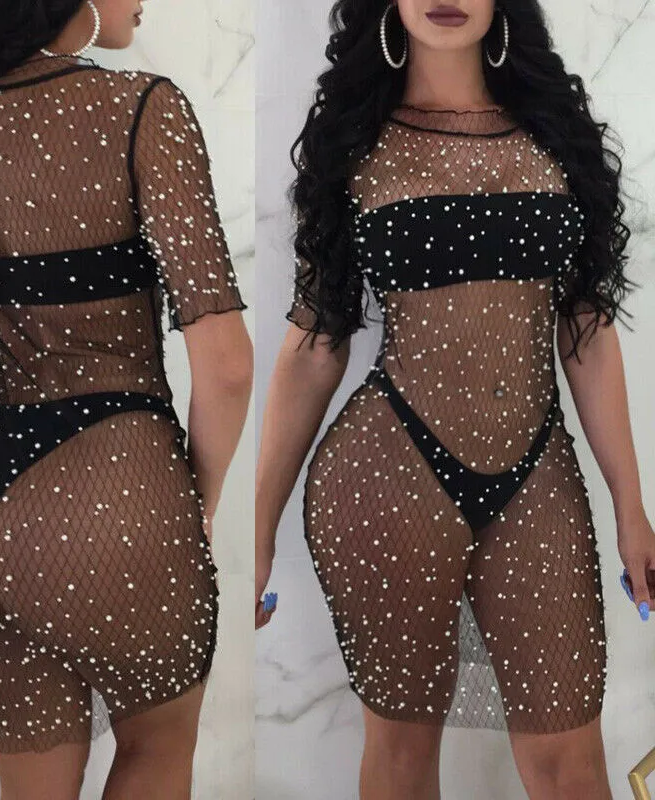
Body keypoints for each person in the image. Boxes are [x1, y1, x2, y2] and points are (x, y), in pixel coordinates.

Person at [255, 1, 654, 798]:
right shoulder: (354, 144)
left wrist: (630, 508)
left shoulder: (555, 137)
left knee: (572, 766)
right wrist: (254, 528)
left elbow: (586, 329)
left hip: (539, 475)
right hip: (386, 472)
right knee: (402, 759)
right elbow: (315, 345)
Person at [0, 1, 252, 798]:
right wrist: (197, 500)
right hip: (108, 478)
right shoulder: (141, 106)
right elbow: (228, 362)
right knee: (157, 751)